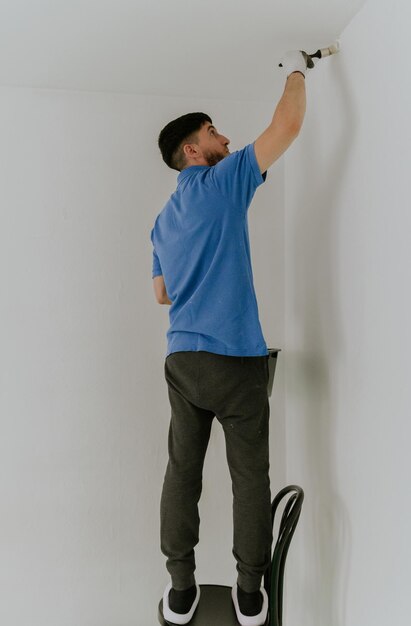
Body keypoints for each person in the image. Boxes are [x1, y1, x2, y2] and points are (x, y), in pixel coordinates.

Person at [151, 50, 312, 626]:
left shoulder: (163, 220)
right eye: (213, 131)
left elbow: (162, 294)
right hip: (235, 358)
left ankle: (179, 590)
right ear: (194, 150)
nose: (224, 137)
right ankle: (249, 596)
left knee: (182, 473)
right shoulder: (222, 181)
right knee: (249, 479)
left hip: (182, 359)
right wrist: (298, 71)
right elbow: (287, 127)